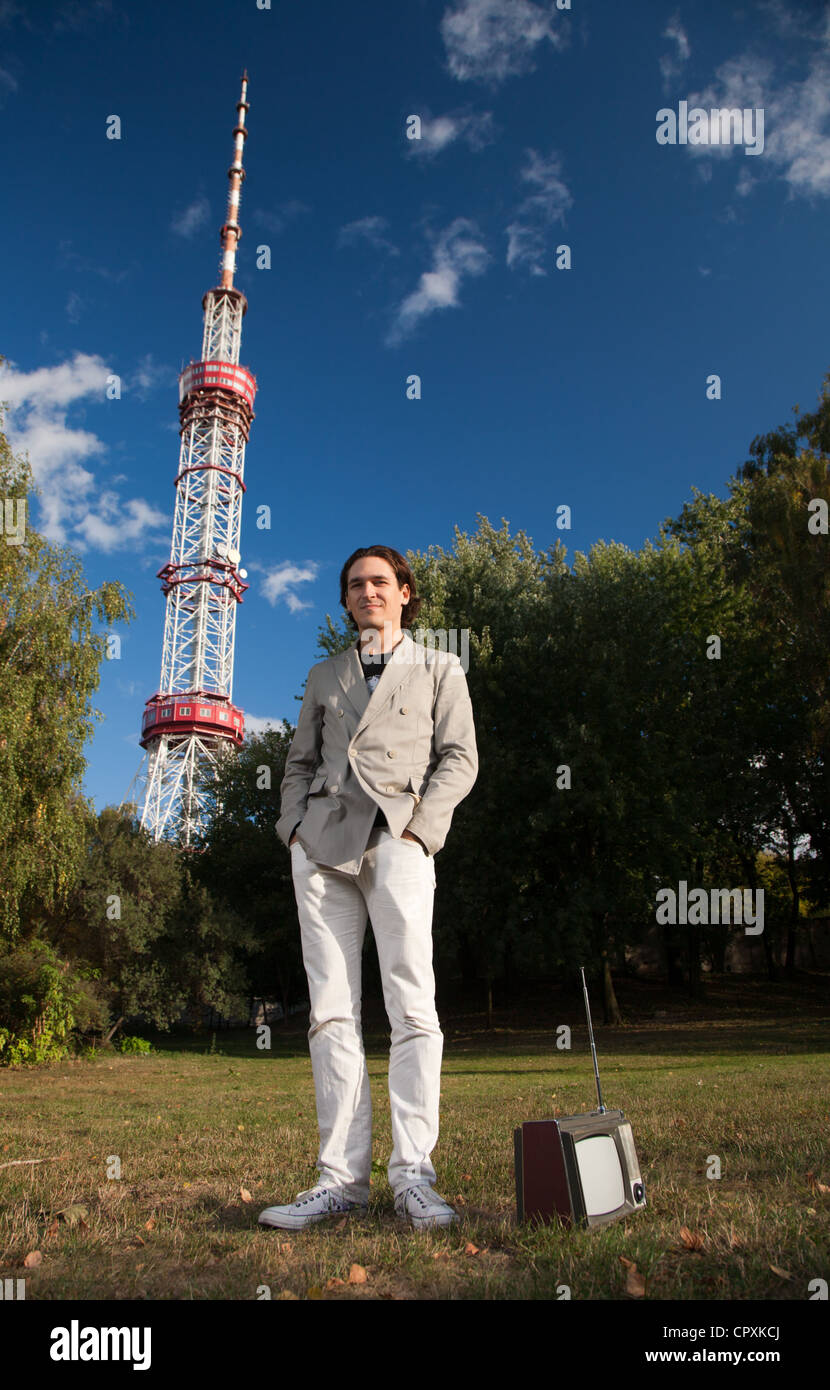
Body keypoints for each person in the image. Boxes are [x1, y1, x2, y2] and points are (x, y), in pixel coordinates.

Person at [258, 545, 478, 1231]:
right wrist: (291, 828)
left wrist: (419, 830)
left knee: (413, 1007)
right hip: (321, 848)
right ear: (347, 600)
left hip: (399, 841)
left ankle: (414, 1177)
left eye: (380, 582)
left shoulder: (440, 667)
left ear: (405, 593)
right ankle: (340, 1181)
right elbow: (297, 762)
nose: (368, 592)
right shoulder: (325, 674)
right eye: (355, 585)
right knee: (330, 1012)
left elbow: (460, 757)